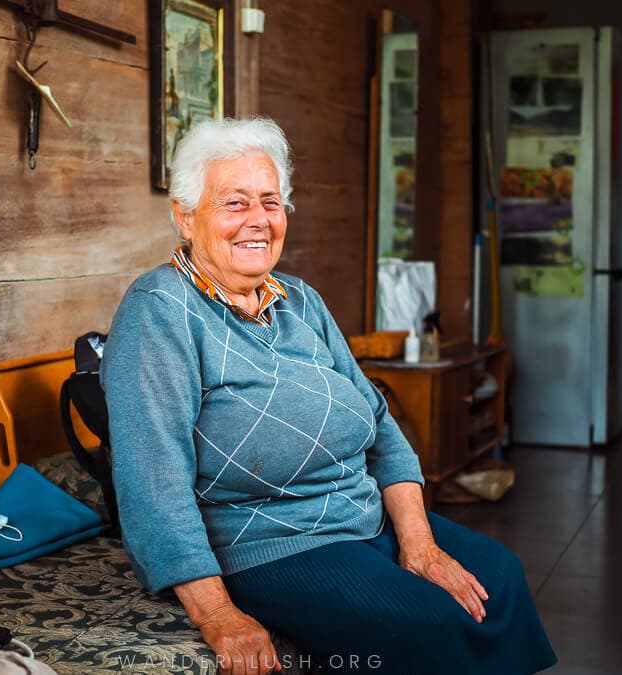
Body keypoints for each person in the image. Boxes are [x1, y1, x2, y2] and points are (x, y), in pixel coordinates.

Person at [100, 118, 557, 675]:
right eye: (234, 203)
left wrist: (419, 540)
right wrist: (218, 614)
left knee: (502, 576)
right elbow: (153, 482)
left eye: (270, 202)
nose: (258, 220)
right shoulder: (160, 311)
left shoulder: (299, 299)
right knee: (424, 620)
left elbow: (380, 423)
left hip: (360, 518)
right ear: (185, 216)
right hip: (266, 542)